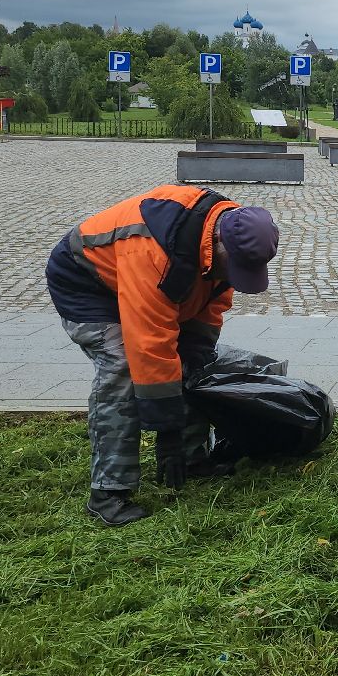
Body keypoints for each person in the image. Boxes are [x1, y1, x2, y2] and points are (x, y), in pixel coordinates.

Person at [45, 185, 280, 526]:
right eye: (234, 268)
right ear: (219, 242)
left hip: (156, 285)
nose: (234, 276)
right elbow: (149, 344)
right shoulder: (152, 249)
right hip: (87, 284)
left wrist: (196, 355)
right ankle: (108, 493)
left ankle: (193, 460)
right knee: (124, 369)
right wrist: (167, 428)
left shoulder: (231, 239)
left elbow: (210, 304)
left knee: (192, 364)